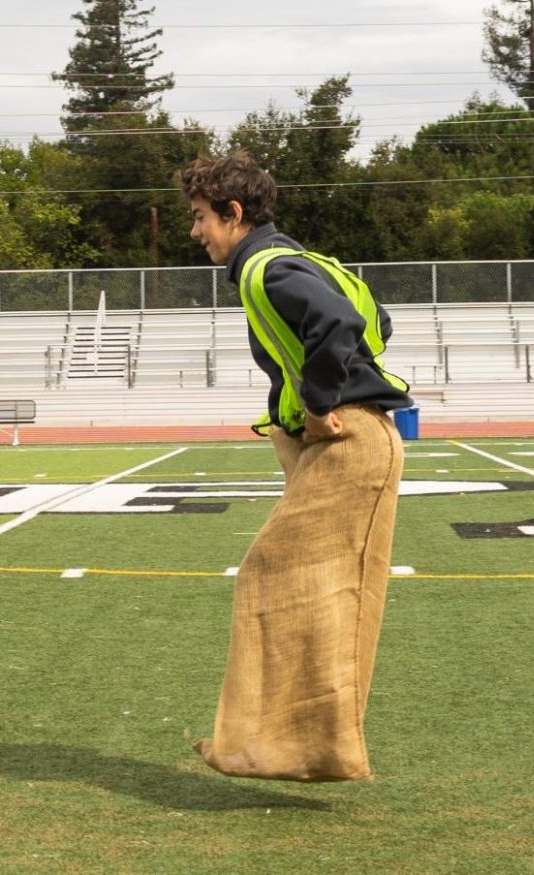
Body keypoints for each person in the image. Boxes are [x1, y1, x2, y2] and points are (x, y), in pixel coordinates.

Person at [178, 151, 412, 782]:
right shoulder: (297, 258)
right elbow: (376, 320)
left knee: (274, 573)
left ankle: (289, 748)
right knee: (282, 581)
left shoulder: (263, 268)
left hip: (348, 440)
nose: (194, 232)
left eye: (201, 217)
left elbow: (338, 322)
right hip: (342, 442)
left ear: (233, 213)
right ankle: (281, 745)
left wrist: (317, 404)